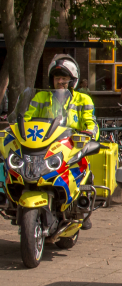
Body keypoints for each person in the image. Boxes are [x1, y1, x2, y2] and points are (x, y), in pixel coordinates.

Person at [24, 55, 98, 230]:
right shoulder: (41, 97)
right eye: (57, 78)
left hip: (72, 144)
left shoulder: (83, 99)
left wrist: (89, 133)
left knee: (84, 169)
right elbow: (27, 119)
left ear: (73, 80)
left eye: (64, 78)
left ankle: (83, 207)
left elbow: (91, 122)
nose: (60, 82)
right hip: (45, 144)